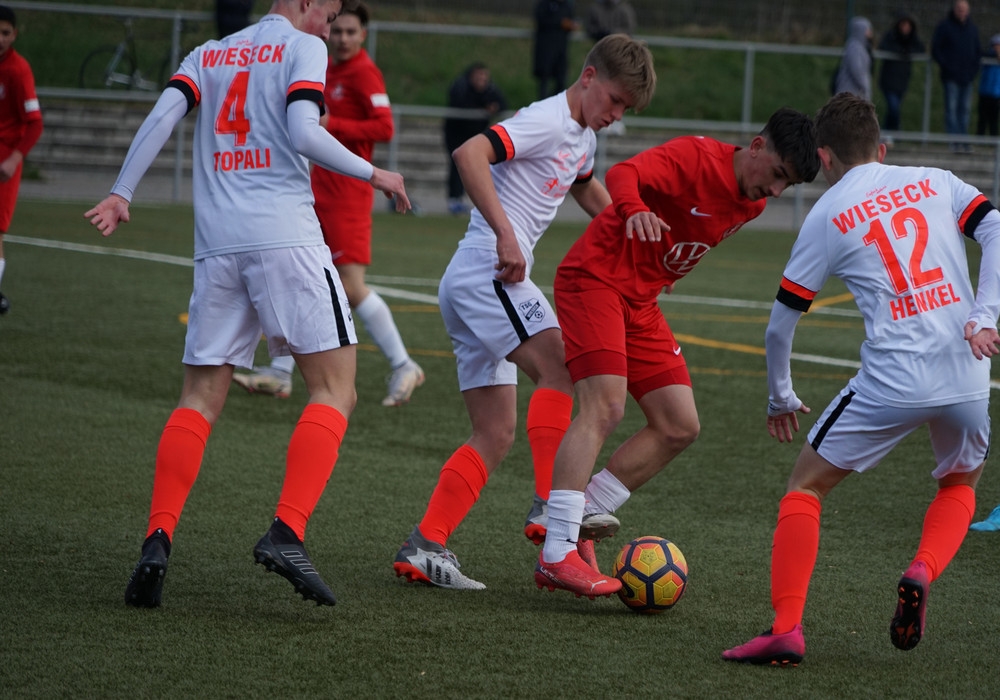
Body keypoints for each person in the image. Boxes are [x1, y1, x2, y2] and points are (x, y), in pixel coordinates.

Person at [85, 0, 411, 609]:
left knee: (198, 399)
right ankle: (287, 531)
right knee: (335, 390)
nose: (329, 26)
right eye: (328, 12)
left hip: (217, 247)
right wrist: (376, 175)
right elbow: (303, 131)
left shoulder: (208, 53)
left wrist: (121, 192)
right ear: (306, 2)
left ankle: (157, 540)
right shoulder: (303, 47)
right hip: (286, 237)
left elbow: (162, 113)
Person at [722, 92, 1000, 666]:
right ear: (882, 147)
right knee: (959, 486)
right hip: (968, 369)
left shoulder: (826, 213)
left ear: (824, 158)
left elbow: (780, 325)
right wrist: (985, 314)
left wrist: (781, 396)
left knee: (805, 488)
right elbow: (996, 227)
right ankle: (921, 569)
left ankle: (786, 629)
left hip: (893, 380)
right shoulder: (937, 179)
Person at [392, 34, 657, 590]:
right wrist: (506, 233)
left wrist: (632, 231)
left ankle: (425, 545)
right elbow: (469, 153)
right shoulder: (547, 119)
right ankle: (549, 507)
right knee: (564, 368)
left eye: (626, 109)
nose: (616, 114)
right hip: (487, 272)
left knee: (494, 431)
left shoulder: (582, 136)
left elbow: (585, 188)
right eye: (614, 100)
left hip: (476, 280)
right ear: (588, 77)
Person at [536, 107, 820, 599]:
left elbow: (686, 234)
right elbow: (624, 174)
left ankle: (582, 511)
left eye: (787, 185)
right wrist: (633, 210)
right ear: (756, 146)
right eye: (777, 174)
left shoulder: (751, 204)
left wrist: (662, 270)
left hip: (640, 300)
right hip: (594, 280)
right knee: (605, 406)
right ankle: (556, 550)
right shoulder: (696, 157)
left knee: (679, 424)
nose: (776, 191)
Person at [232, 2, 425, 407]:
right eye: (338, 30)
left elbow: (385, 127)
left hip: (348, 196)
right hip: (317, 191)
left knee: (350, 286)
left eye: (351, 32)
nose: (342, 38)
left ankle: (404, 364)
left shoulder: (364, 73)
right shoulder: (323, 64)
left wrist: (332, 124)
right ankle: (280, 373)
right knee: (301, 279)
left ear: (364, 35)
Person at [0, 5, 43, 316]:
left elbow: (35, 123)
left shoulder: (18, 70)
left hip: (4, 160)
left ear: (14, 35)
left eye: (5, 33)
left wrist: (14, 159)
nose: (0, 39)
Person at [443, 62, 507, 216]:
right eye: (479, 77)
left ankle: (481, 202)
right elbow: (459, 103)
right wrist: (482, 109)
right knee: (457, 166)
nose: (482, 80)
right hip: (457, 134)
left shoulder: (490, 89)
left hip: (476, 136)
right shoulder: (461, 87)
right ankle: (454, 199)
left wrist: (494, 107)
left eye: (485, 77)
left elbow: (502, 103)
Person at [932, 0, 982, 152]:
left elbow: (977, 52)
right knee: (951, 110)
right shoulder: (945, 26)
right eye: (959, 8)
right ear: (954, 10)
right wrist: (947, 66)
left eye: (964, 9)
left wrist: (973, 71)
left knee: (965, 110)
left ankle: (964, 141)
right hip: (951, 77)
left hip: (967, 77)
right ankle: (954, 142)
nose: (962, 11)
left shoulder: (972, 29)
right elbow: (936, 49)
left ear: (968, 11)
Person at [877, 11, 926, 135]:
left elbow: (921, 48)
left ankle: (887, 134)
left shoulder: (912, 39)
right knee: (894, 108)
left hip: (902, 80)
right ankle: (894, 131)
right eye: (903, 24)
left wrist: (908, 51)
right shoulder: (891, 36)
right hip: (888, 80)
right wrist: (899, 51)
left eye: (908, 25)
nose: (905, 28)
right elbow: (883, 46)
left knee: (894, 110)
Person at [533, 0, 579, 101]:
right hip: (545, 49)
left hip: (561, 49)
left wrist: (571, 25)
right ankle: (544, 104)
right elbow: (541, 20)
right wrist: (560, 23)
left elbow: (570, 21)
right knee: (544, 81)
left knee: (561, 80)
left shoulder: (566, 6)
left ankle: (556, 103)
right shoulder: (544, 4)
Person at [834, 16, 874, 100]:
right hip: (851, 92)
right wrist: (865, 86)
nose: (870, 32)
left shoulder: (860, 47)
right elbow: (856, 69)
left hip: (855, 93)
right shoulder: (855, 47)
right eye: (867, 29)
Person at [976, 34, 1000, 137]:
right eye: (996, 45)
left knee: (994, 120)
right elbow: (981, 55)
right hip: (984, 93)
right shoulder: (987, 56)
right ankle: (979, 139)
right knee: (982, 119)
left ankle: (994, 141)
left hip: (996, 94)